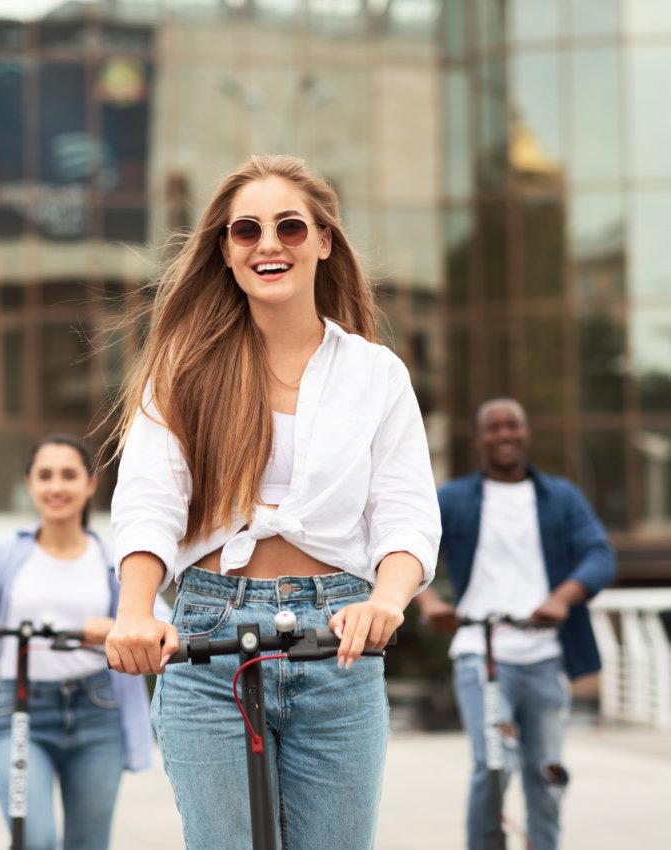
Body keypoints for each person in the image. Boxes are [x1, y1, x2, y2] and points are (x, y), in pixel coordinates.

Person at [102, 154, 442, 850]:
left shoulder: (375, 374)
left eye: (290, 227)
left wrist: (387, 600)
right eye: (246, 230)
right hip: (208, 638)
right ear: (225, 253)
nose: (268, 244)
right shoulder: (184, 368)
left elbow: (405, 512)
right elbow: (148, 502)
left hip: (337, 643)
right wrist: (135, 612)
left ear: (324, 240)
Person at [0, 434, 168, 850]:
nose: (56, 487)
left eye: (69, 475)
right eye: (45, 476)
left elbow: (164, 631)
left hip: (97, 712)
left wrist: (112, 630)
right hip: (22, 710)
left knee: (89, 843)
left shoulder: (114, 558)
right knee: (36, 840)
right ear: (29, 484)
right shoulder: (4, 554)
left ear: (91, 484)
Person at [416, 397, 616, 850]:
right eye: (494, 427)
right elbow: (407, 548)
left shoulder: (560, 497)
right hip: (479, 652)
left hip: (546, 657)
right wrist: (429, 603)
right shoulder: (455, 498)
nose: (505, 434)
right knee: (494, 765)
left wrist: (562, 600)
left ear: (526, 433)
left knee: (547, 774)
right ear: (478, 439)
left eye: (514, 426)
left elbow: (600, 554)